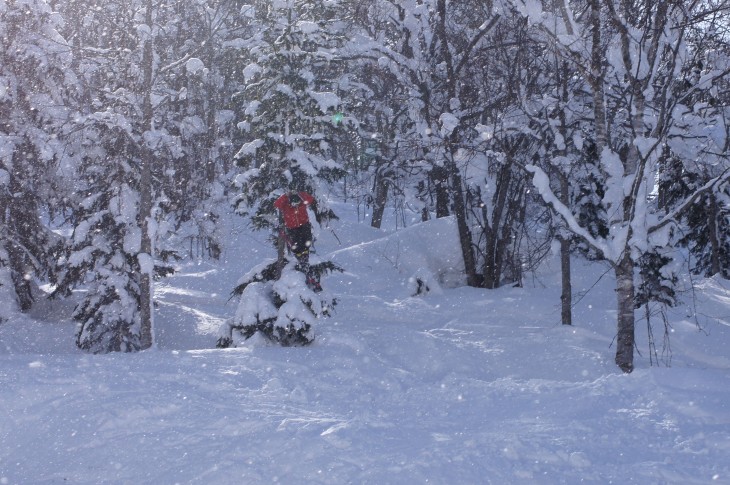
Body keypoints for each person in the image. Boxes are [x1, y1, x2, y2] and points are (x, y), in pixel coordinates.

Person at [274, 189, 321, 291]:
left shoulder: (302, 201)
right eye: (293, 204)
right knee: (296, 246)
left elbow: (310, 199)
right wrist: (286, 195)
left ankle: (305, 258)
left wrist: (300, 193)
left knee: (306, 243)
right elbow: (277, 204)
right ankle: (301, 260)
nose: (295, 206)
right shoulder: (285, 203)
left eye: (297, 204)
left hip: (304, 226)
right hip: (292, 228)